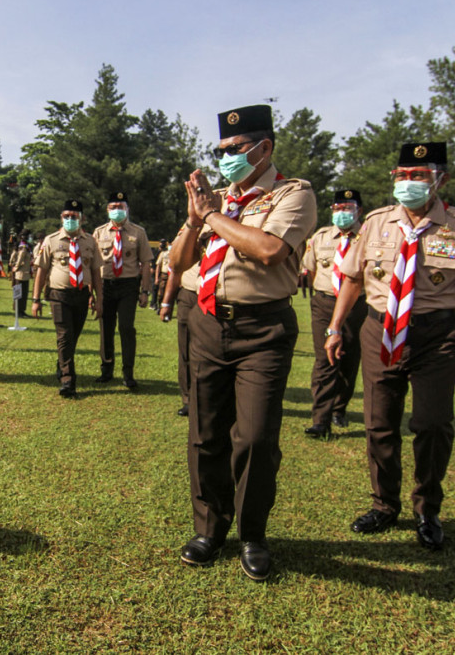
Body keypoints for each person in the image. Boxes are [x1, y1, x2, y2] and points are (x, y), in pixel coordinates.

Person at [326, 142, 455, 551]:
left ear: (442, 178)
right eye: (402, 175)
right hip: (380, 330)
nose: (408, 183)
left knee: (433, 424)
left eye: (418, 176)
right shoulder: (375, 222)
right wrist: (335, 328)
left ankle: (427, 509)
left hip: (437, 335)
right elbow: (352, 279)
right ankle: (385, 504)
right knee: (379, 422)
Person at [169, 104, 316, 581]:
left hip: (262, 331)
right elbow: (176, 262)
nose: (225, 158)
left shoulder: (293, 194)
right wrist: (196, 221)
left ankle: (252, 533)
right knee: (206, 433)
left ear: (264, 148)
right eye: (220, 151)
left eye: (234, 149)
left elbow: (271, 250)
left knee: (254, 438)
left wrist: (212, 214)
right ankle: (210, 528)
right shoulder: (215, 203)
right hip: (208, 324)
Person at [301, 190, 367, 439]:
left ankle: (340, 408)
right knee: (324, 360)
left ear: (359, 211)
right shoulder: (321, 237)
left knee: (349, 360)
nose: (342, 213)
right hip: (325, 302)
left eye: (348, 207)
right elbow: (310, 268)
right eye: (338, 208)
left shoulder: (368, 236)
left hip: (357, 305)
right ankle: (321, 419)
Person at [31, 200, 103, 398]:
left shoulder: (90, 241)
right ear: (61, 218)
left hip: (81, 295)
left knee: (73, 336)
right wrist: (35, 299)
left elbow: (96, 272)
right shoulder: (51, 240)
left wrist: (99, 299)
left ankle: (61, 362)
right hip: (58, 295)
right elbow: (41, 271)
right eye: (67, 216)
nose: (70, 220)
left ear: (82, 218)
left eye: (74, 216)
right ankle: (68, 380)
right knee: (64, 335)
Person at [93, 192, 152, 388]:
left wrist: (145, 291)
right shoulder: (99, 232)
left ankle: (128, 373)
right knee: (105, 329)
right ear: (107, 210)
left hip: (128, 286)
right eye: (113, 207)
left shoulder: (138, 232)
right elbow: (92, 265)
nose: (117, 210)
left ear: (127, 209)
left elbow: (145, 264)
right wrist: (92, 293)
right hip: (105, 286)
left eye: (121, 206)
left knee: (126, 328)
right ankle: (106, 369)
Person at [158, 251, 200, 417]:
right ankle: (189, 399)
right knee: (187, 351)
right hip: (190, 294)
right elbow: (175, 267)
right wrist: (166, 301)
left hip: (218, 295)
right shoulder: (189, 230)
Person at [9, 230, 33, 317]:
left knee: (24, 293)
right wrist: (16, 267)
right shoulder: (23, 247)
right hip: (21, 273)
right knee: (19, 293)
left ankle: (22, 311)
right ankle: (18, 311)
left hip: (25, 273)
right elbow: (20, 259)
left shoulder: (26, 246)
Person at [152, 239, 170, 311]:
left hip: (171, 275)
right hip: (164, 275)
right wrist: (156, 278)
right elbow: (158, 266)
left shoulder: (175, 253)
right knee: (161, 293)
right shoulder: (163, 253)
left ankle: (167, 308)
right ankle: (160, 306)